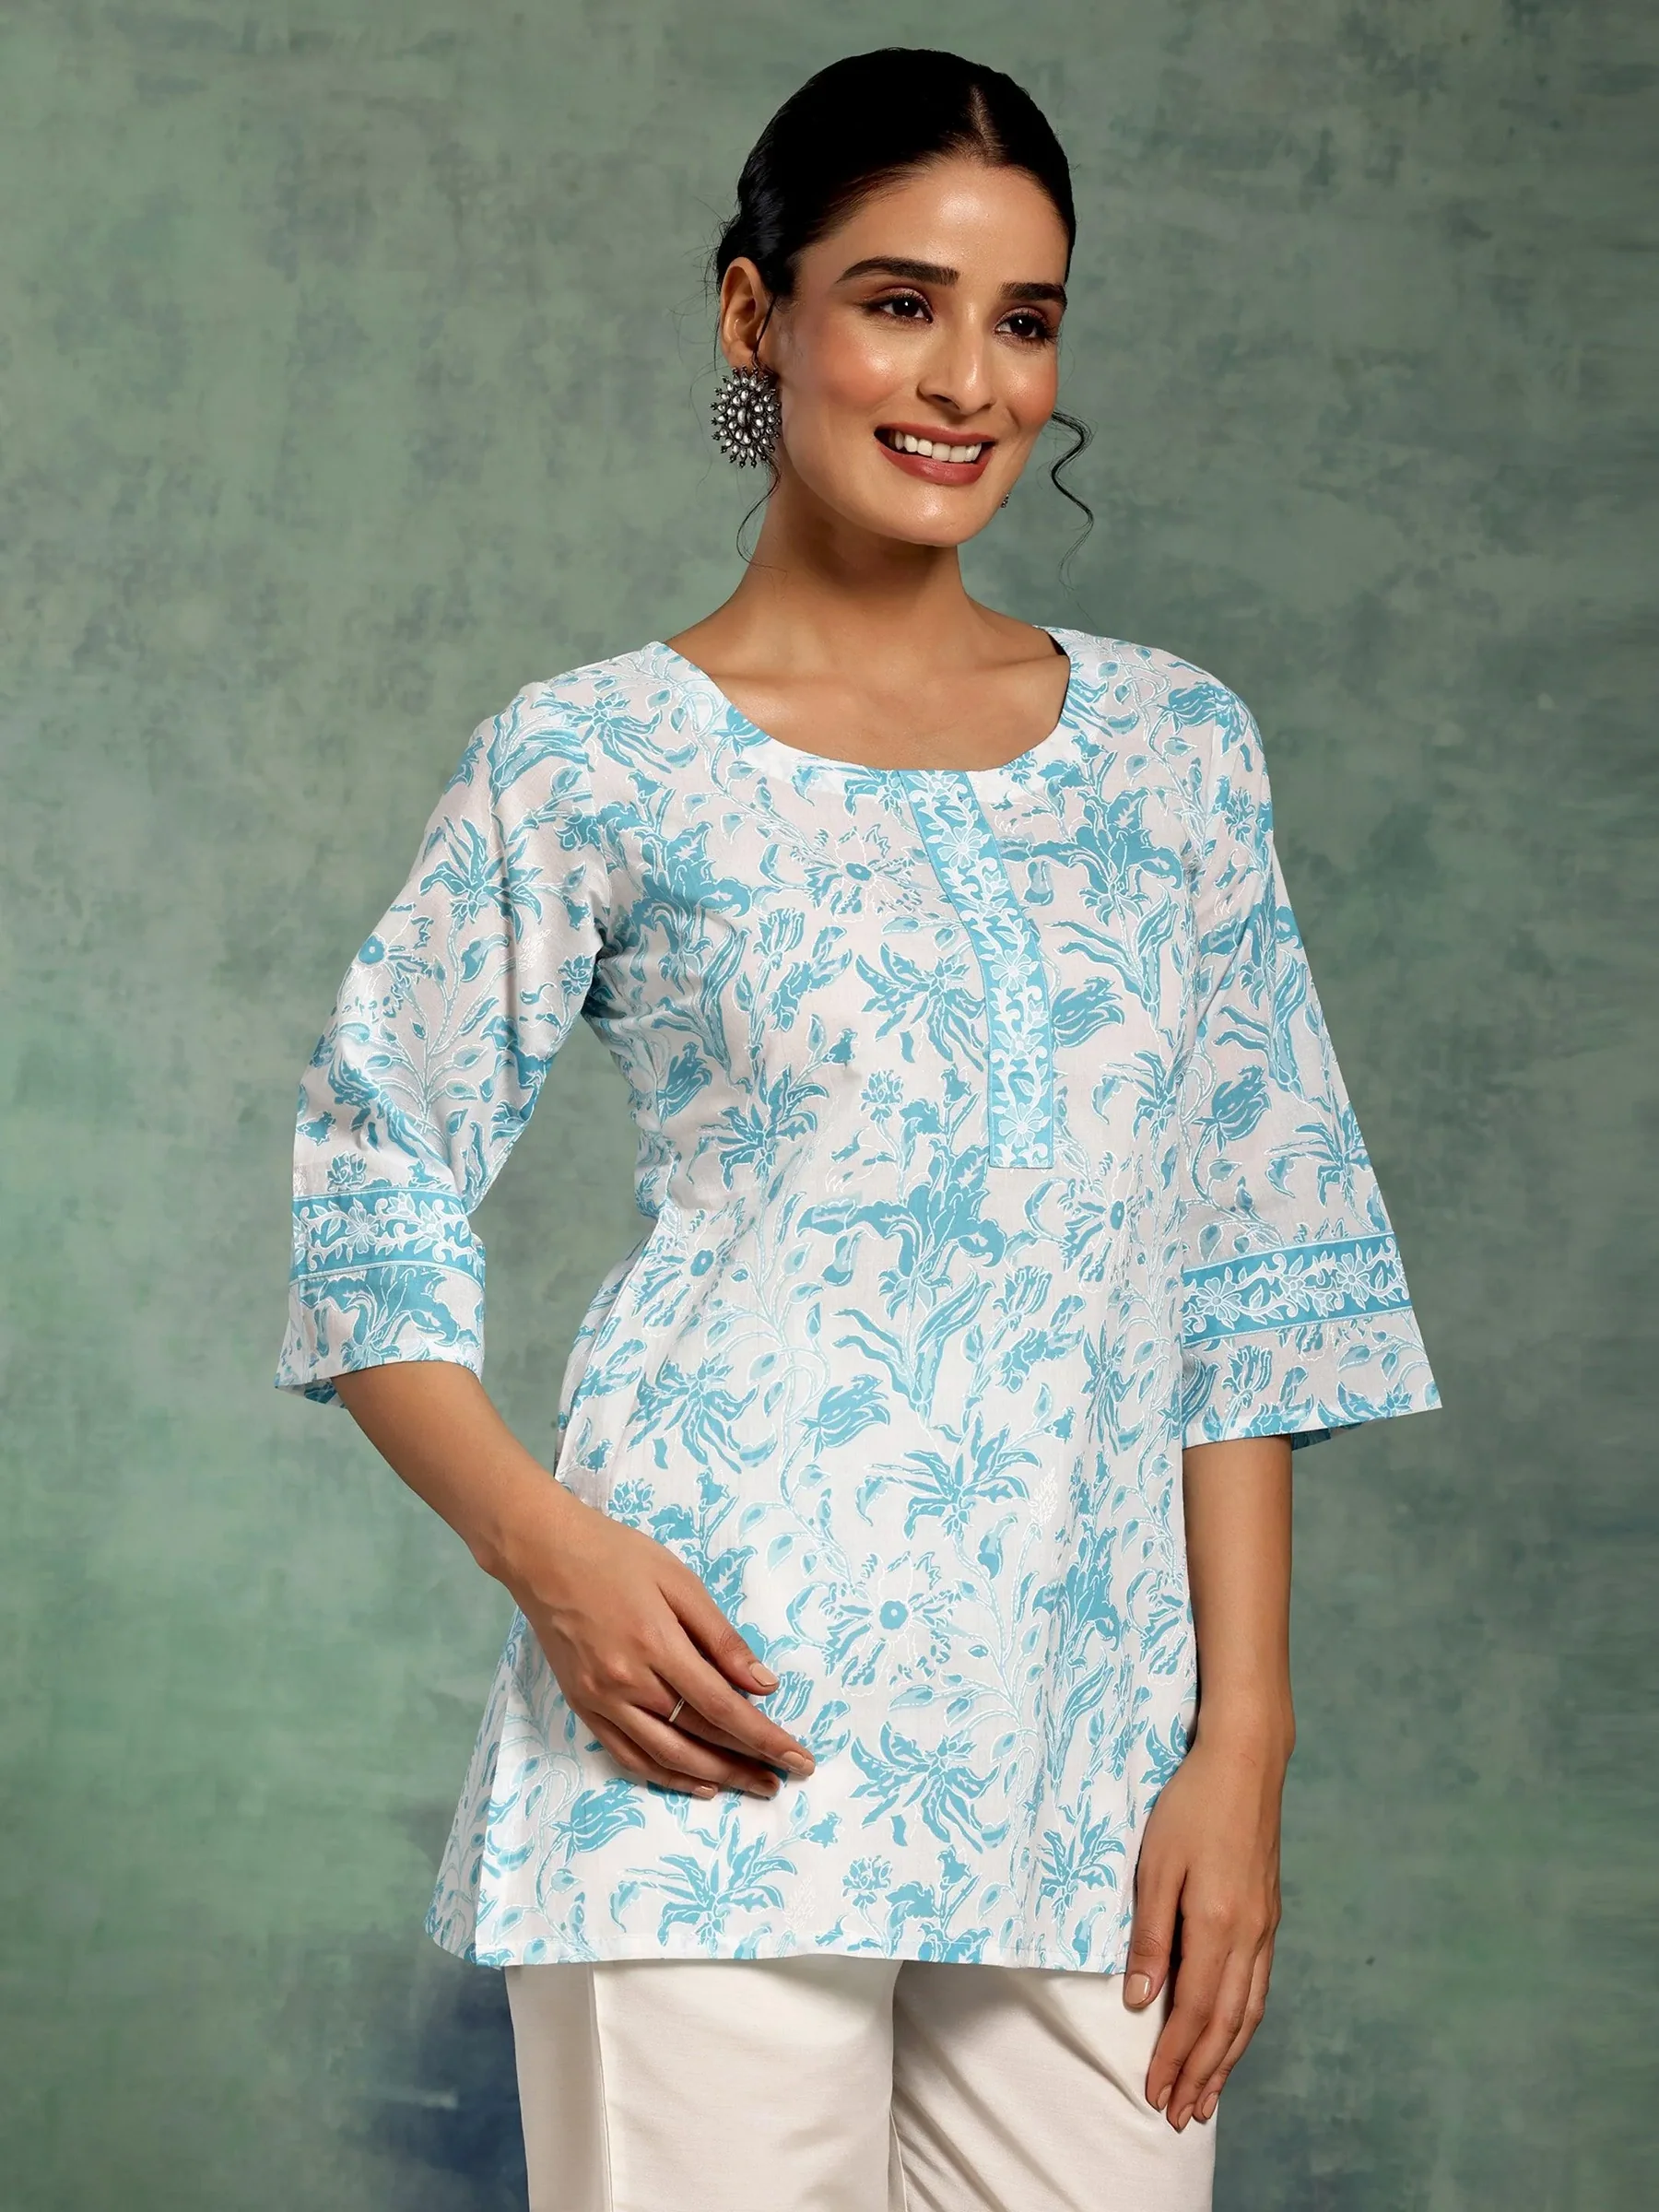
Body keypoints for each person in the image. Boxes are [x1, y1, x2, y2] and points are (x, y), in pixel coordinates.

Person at [276, 47, 1440, 2212]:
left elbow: (1250, 1263)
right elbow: (371, 1189)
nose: (970, 382)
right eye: (900, 302)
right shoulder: (592, 758)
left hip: (1083, 1760)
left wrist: (1243, 1746)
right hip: (703, 1722)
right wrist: (551, 1556)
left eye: (1026, 320)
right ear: (757, 316)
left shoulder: (1177, 752)